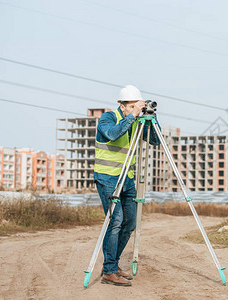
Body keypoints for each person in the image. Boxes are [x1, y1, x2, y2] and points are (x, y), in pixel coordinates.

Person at [94, 85, 160, 286]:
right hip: (108, 178)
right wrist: (133, 116)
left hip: (127, 179)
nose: (135, 109)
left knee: (129, 222)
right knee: (116, 220)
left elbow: (156, 141)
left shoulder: (135, 121)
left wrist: (151, 118)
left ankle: (112, 264)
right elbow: (113, 134)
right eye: (132, 106)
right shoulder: (108, 118)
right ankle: (109, 270)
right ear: (122, 106)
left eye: (137, 106)